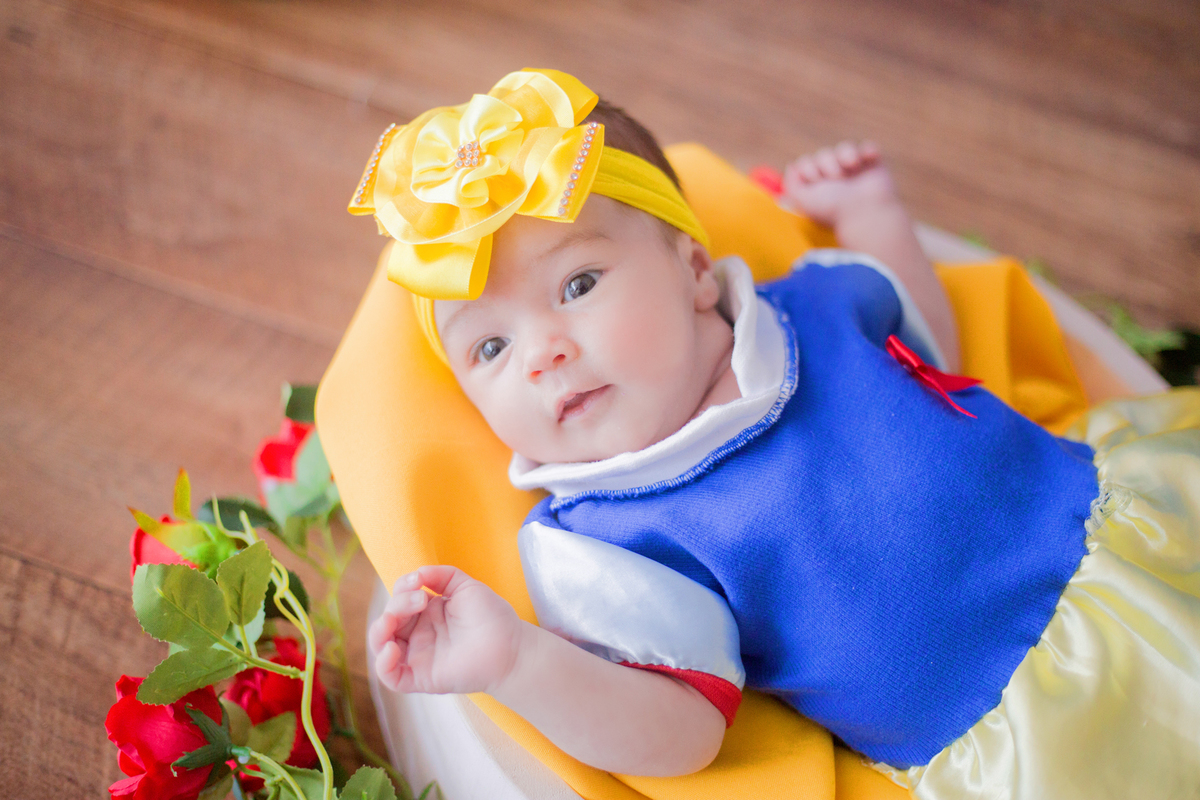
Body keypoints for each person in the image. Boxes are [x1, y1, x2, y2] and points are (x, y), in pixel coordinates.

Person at [359, 69, 1200, 797]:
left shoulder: (814, 305)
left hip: (1128, 534)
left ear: (692, 269)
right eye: (491, 347)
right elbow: (683, 732)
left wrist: (871, 217)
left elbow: (932, 344)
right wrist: (516, 661)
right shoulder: (606, 537)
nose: (543, 354)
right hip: (1028, 723)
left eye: (578, 283)